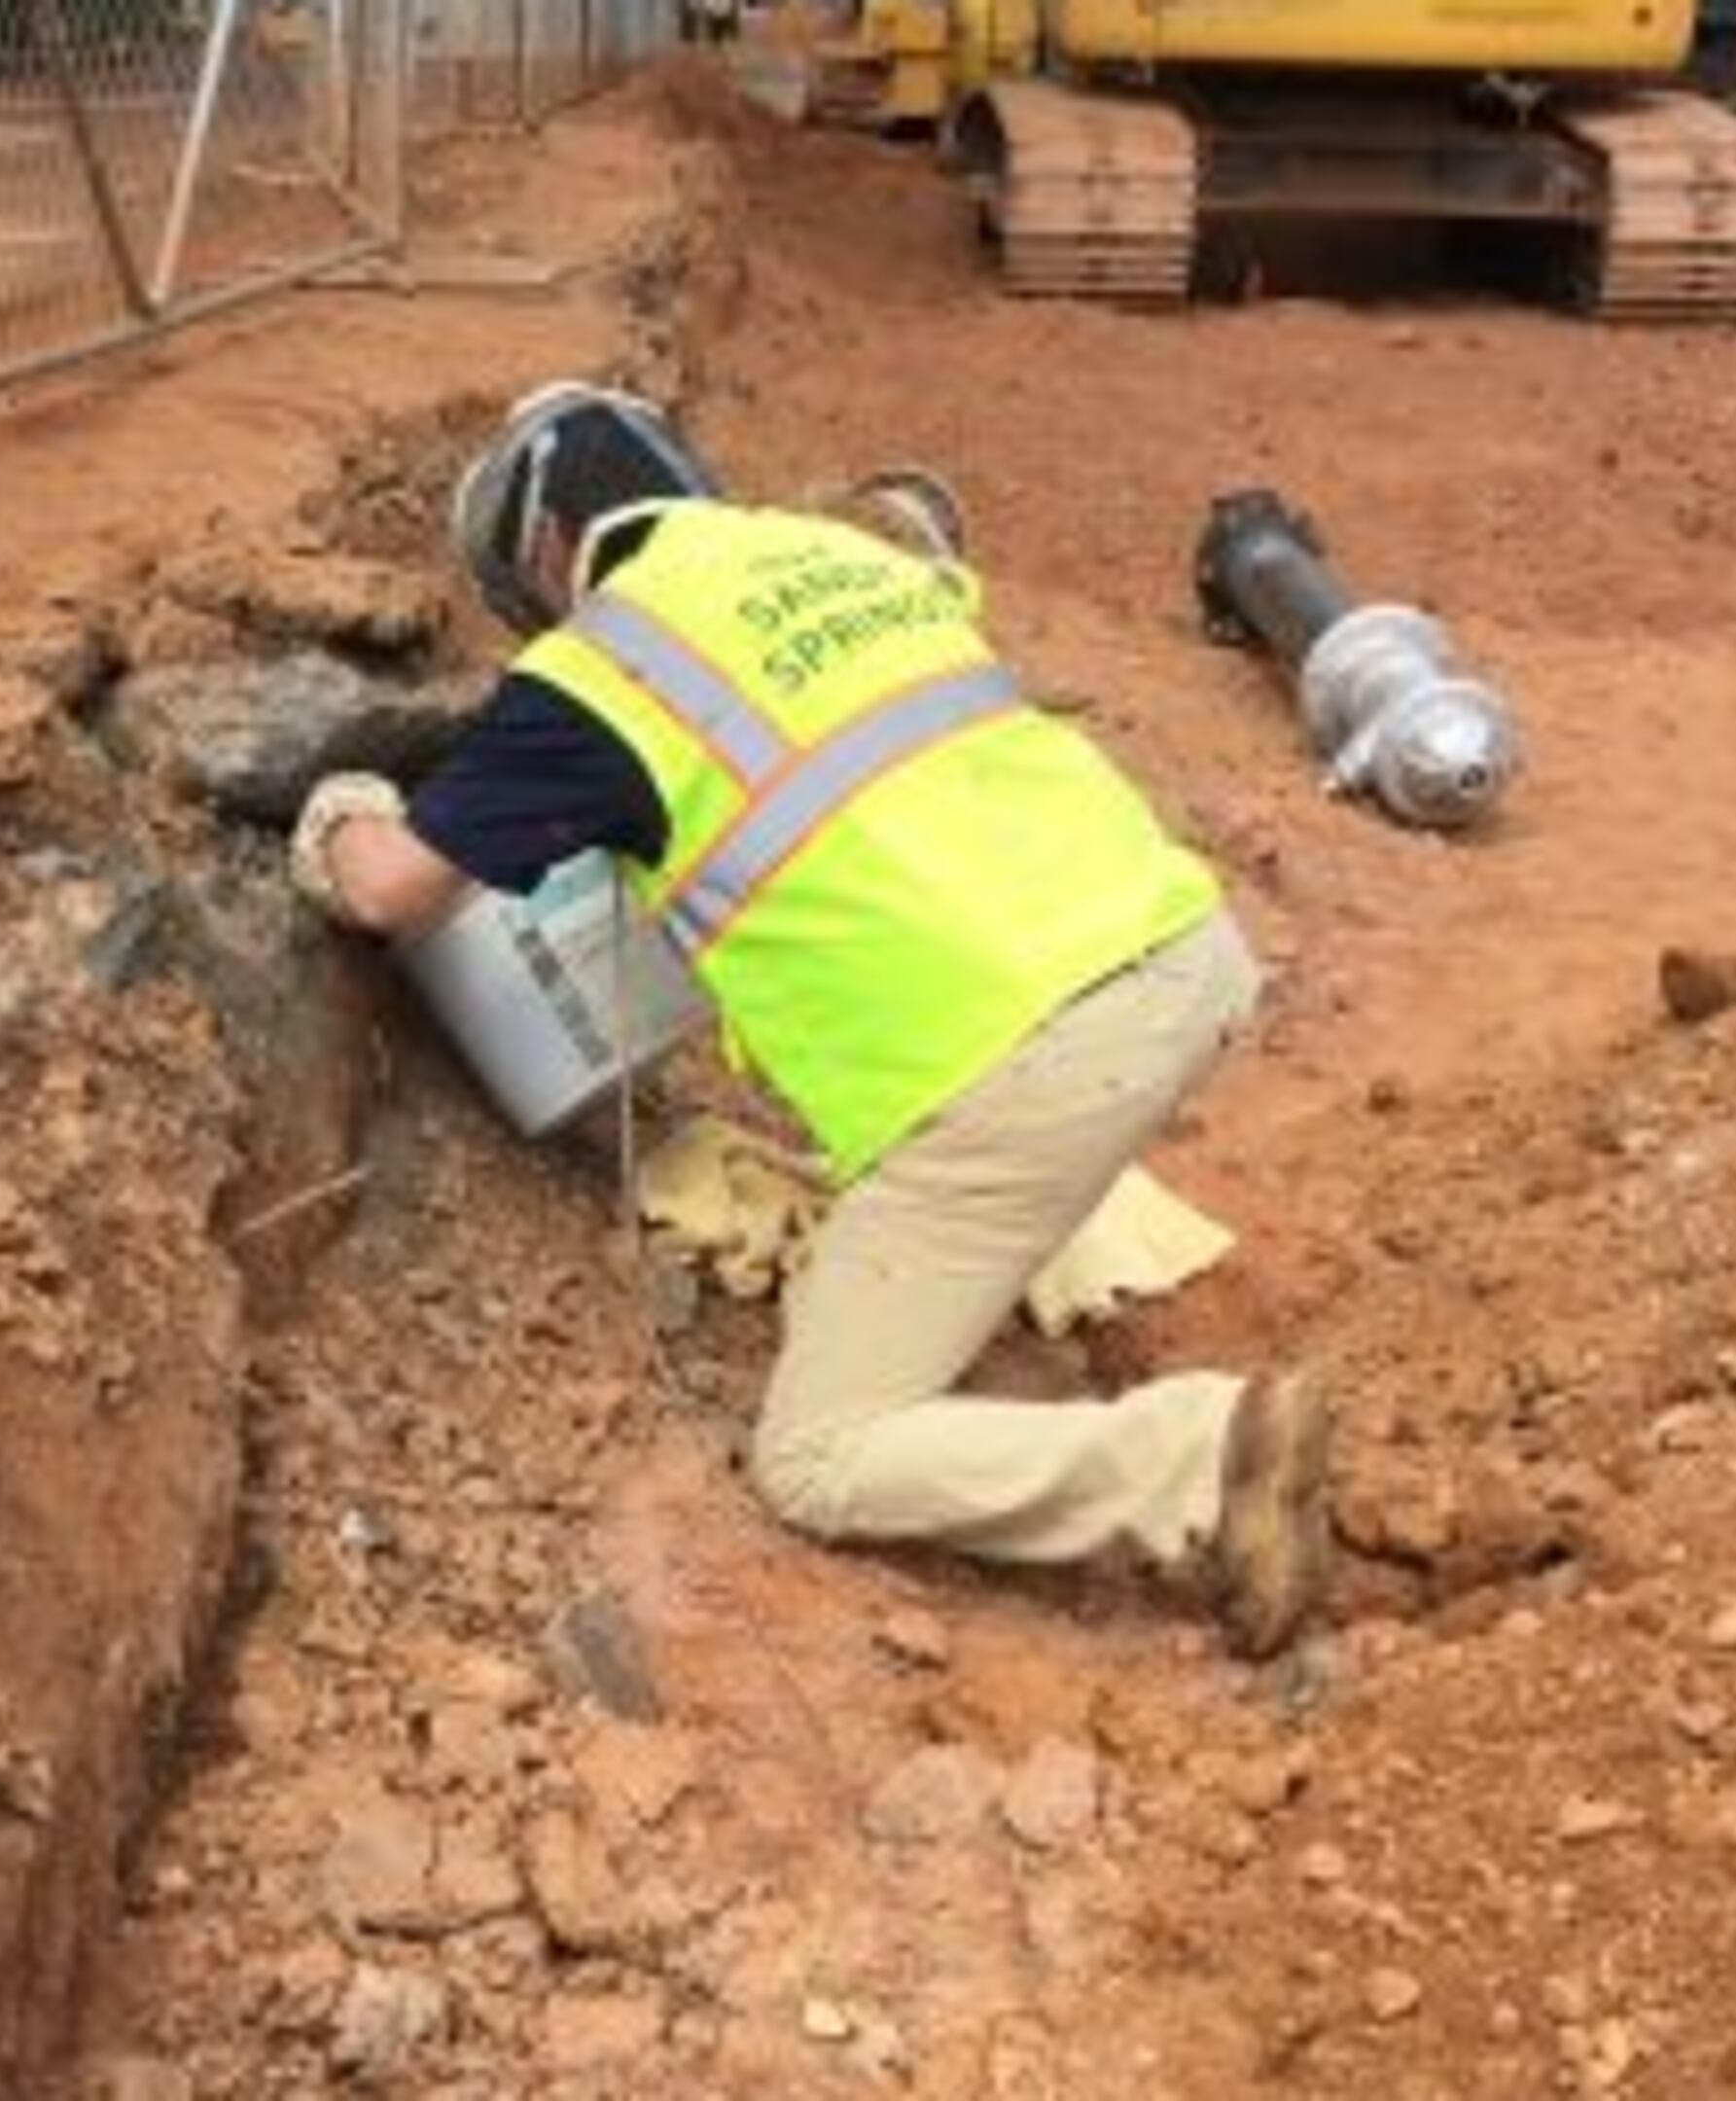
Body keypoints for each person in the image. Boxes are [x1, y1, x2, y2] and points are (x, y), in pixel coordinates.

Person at [290, 383, 1334, 1657]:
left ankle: (1192, 1458)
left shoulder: (598, 670)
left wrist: (339, 816)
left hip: (1030, 1056)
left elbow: (395, 891)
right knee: (958, 1191)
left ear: (547, 551)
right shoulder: (844, 556)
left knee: (819, 1456)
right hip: (1183, 954)